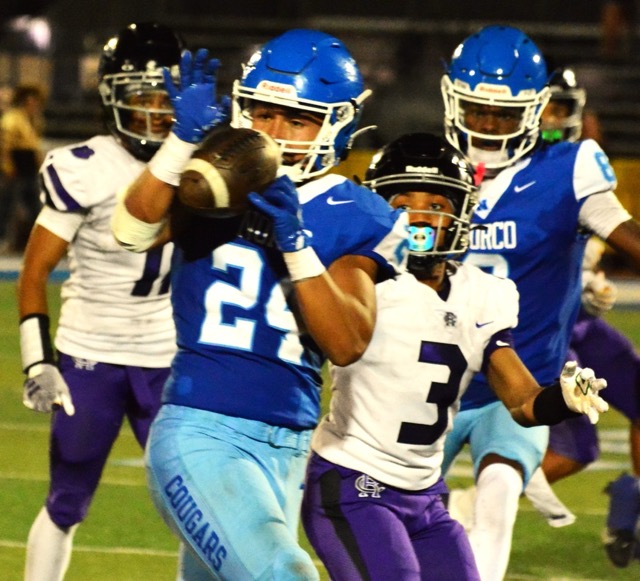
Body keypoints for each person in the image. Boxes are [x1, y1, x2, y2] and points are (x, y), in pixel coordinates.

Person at [111, 29, 409, 580]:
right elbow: (130, 231)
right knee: (283, 572)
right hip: (200, 428)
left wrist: (296, 245)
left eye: (296, 120)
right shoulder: (215, 180)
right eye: (262, 113)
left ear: (335, 123)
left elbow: (346, 342)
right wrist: (180, 142)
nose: (273, 133)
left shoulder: (358, 212)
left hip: (288, 446)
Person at [300, 132, 608, 581]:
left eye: (437, 206)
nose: (419, 217)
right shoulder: (360, 280)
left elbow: (522, 402)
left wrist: (563, 398)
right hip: (353, 483)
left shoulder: (482, 294)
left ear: (462, 214)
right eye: (402, 203)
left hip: (425, 495)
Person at [438, 24, 640, 581]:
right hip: (432, 383)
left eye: (501, 114)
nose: (485, 124)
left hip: (520, 386)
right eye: (476, 109)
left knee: (500, 495)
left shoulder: (568, 168)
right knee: (398, 516)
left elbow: (623, 233)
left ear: (534, 110)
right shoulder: (428, 167)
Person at [17, 22, 182, 581]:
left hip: (167, 354)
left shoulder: (199, 161)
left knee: (196, 506)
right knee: (67, 500)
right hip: (92, 353)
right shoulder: (83, 165)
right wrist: (37, 359)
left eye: (166, 98)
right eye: (143, 97)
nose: (157, 111)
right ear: (113, 97)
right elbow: (34, 271)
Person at [530, 66, 640, 567]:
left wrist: (588, 291)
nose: (555, 121)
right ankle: (476, 503)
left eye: (562, 110)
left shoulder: (585, 169)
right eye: (546, 110)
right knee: (577, 449)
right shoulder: (517, 175)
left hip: (580, 323)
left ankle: (631, 501)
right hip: (543, 328)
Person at [0, 83, 46, 253]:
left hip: (29, 166)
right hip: (16, 165)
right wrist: (7, 166)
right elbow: (5, 145)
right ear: (24, 101)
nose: (34, 105)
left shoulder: (34, 119)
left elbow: (35, 146)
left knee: (35, 206)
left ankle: (38, 241)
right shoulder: (12, 118)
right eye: (31, 101)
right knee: (7, 205)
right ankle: (3, 240)